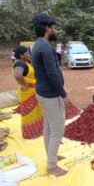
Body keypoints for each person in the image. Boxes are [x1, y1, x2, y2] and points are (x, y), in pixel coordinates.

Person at [31, 13, 72, 177]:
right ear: (47, 28)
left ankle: (51, 156)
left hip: (43, 92)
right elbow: (52, 75)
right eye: (53, 27)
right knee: (57, 129)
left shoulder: (38, 45)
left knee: (48, 127)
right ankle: (52, 166)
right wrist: (63, 94)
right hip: (50, 95)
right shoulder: (45, 47)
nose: (55, 30)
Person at [12, 46, 43, 139]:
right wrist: (24, 85)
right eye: (27, 53)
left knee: (35, 111)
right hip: (27, 93)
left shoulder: (24, 62)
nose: (29, 55)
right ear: (21, 55)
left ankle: (37, 129)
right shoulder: (20, 64)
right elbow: (18, 75)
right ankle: (29, 133)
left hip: (32, 90)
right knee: (29, 113)